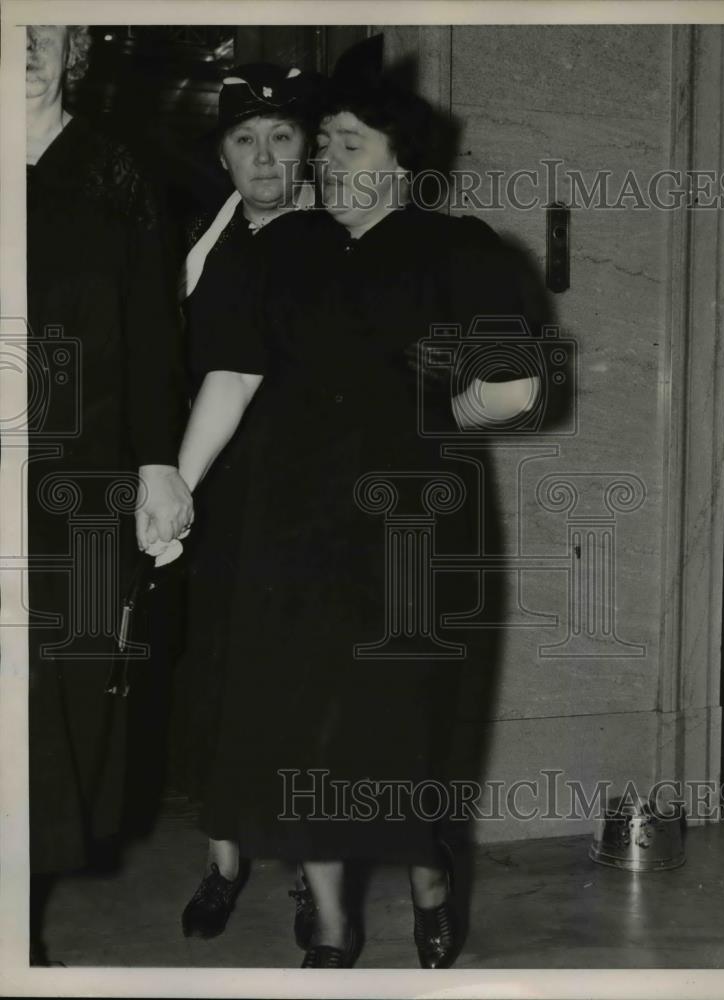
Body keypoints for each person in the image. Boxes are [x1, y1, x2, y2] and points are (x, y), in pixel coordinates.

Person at [177, 35, 540, 969]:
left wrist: (460, 405)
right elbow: (233, 373)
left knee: (400, 710)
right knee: (301, 715)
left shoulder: (458, 249)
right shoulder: (279, 248)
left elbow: (519, 385)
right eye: (323, 141)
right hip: (294, 511)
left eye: (347, 143)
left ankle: (427, 875)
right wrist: (176, 480)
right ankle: (333, 925)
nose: (324, 159)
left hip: (412, 517)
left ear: (399, 159)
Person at [25, 25, 191, 963]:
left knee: (69, 703)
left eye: (52, 31)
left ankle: (21, 921)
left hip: (80, 487)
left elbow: (152, 336)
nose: (33, 46)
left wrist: (156, 465)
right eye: (17, 27)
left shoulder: (114, 173)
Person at [175, 63, 322, 945]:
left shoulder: (331, 242)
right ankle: (223, 864)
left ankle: (315, 873)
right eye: (244, 138)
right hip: (222, 500)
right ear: (222, 156)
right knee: (219, 678)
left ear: (307, 151)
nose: (263, 155)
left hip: (307, 500)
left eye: (281, 137)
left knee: (304, 683)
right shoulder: (207, 239)